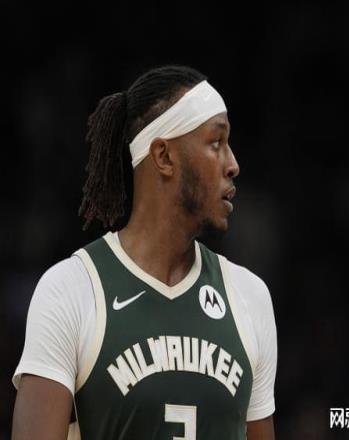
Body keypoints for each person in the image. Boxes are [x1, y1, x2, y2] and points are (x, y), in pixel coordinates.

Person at [11, 65, 277, 440]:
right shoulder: (72, 290)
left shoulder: (249, 297)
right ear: (164, 156)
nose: (233, 164)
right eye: (216, 142)